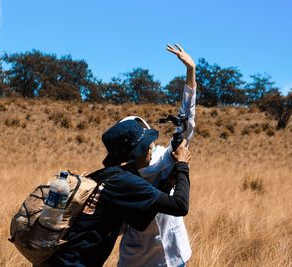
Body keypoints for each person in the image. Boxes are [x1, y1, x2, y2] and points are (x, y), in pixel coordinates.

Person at [45, 120, 192, 267]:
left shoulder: (108, 176)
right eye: (147, 144)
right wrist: (182, 165)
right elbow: (180, 206)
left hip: (60, 260)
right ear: (136, 152)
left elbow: (139, 221)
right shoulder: (124, 181)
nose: (150, 148)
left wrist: (168, 184)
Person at [118, 43, 197, 267]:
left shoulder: (163, 158)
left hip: (174, 254)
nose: (151, 145)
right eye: (144, 143)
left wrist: (191, 73)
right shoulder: (121, 179)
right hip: (139, 260)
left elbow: (185, 125)